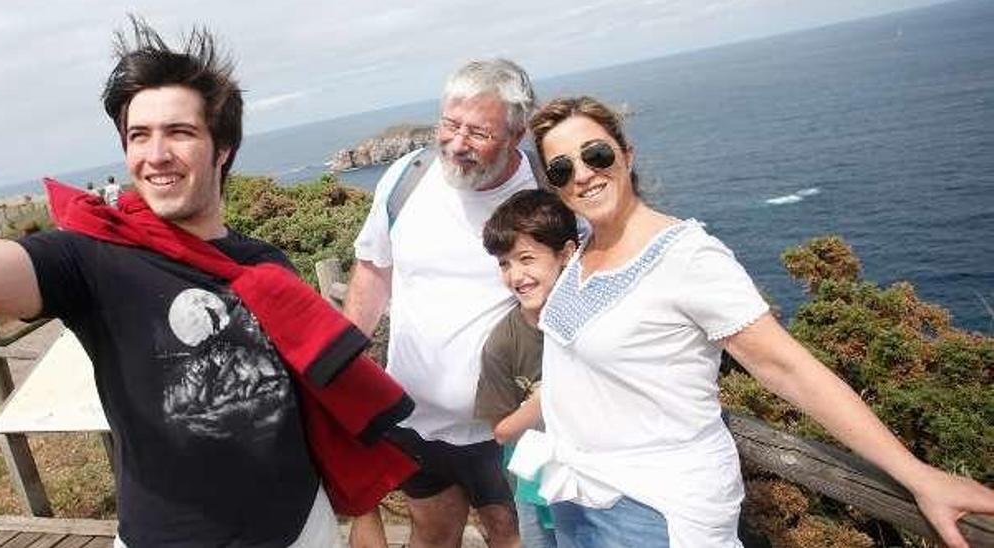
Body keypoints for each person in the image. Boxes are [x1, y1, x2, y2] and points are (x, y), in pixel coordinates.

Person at [0, 18, 414, 548]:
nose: (154, 155)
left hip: (304, 527)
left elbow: (309, 404)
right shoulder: (90, 259)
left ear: (224, 148)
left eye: (179, 132)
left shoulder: (266, 264)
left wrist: (358, 518)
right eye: (137, 134)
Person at [512, 95, 994, 548]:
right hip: (580, 497)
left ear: (627, 155)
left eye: (596, 154)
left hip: (653, 509)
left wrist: (917, 475)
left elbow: (788, 370)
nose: (583, 174)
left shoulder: (687, 259)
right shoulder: (582, 252)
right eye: (561, 168)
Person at [342, 58, 539, 548]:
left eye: (478, 132)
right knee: (432, 533)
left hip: (509, 429)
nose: (456, 144)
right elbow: (372, 271)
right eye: (449, 124)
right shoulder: (406, 180)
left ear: (516, 135)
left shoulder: (544, 194)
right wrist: (341, 367)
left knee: (512, 536)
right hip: (415, 417)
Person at [474, 189, 579, 548]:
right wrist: (545, 400)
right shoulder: (504, 341)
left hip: (596, 483)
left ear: (565, 253)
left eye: (526, 259)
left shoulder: (594, 322)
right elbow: (501, 431)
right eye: (505, 263)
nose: (516, 275)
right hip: (534, 489)